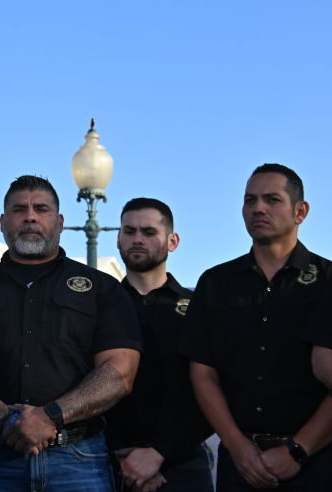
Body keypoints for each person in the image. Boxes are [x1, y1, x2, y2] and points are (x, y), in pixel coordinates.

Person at [0, 175, 141, 492]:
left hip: (78, 458)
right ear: (4, 222)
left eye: (41, 209)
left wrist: (51, 417)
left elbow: (120, 373)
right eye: (19, 209)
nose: (30, 216)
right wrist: (6, 419)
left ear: (60, 222)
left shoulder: (101, 289)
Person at [181, 164, 332, 490]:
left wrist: (299, 449)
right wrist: (236, 446)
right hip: (241, 464)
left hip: (319, 462)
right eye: (250, 200)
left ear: (300, 211)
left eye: (272, 199)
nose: (258, 208)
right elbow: (202, 372)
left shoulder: (329, 281)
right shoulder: (215, 283)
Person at [108, 198, 213, 492]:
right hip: (109, 463)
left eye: (148, 232)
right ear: (118, 239)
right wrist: (125, 456)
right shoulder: (99, 308)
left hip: (185, 462)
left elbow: (215, 388)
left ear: (172, 241)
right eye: (129, 231)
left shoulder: (197, 309)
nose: (137, 239)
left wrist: (159, 454)